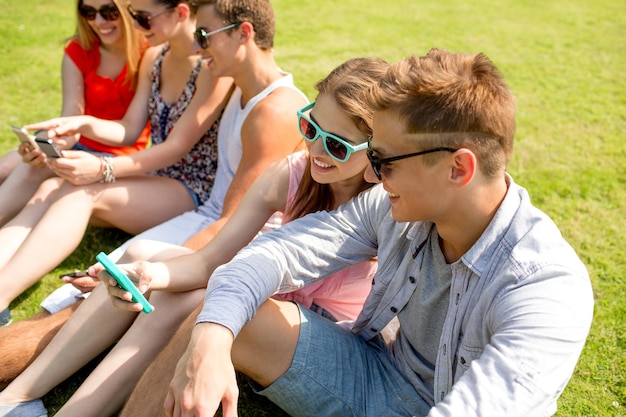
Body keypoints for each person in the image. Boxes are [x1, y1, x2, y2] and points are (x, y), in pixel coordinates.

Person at [161, 48, 595, 417]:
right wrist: (211, 336)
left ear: (458, 168)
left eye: (385, 160)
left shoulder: (544, 289)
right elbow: (268, 258)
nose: (373, 173)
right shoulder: (389, 206)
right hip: (376, 374)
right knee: (224, 311)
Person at [0, 0, 307, 414]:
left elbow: (231, 223)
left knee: (127, 280)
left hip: (233, 239)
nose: (198, 47)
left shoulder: (274, 110)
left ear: (244, 33)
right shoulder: (237, 85)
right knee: (109, 273)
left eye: (205, 35)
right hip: (208, 220)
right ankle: (18, 395)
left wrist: (167, 271)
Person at [0, 0, 235, 326]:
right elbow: (128, 129)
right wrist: (80, 124)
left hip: (193, 189)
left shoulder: (210, 68)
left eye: (142, 18)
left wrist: (102, 169)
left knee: (83, 192)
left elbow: (177, 147)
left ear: (181, 12)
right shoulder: (156, 55)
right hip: (159, 176)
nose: (136, 27)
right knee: (55, 183)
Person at [0, 0, 151, 229]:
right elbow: (71, 117)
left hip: (119, 158)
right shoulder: (79, 51)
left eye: (109, 12)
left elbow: (130, 131)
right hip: (77, 145)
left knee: (30, 174)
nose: (99, 22)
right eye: (89, 12)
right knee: (19, 164)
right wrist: (51, 141)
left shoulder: (148, 54)